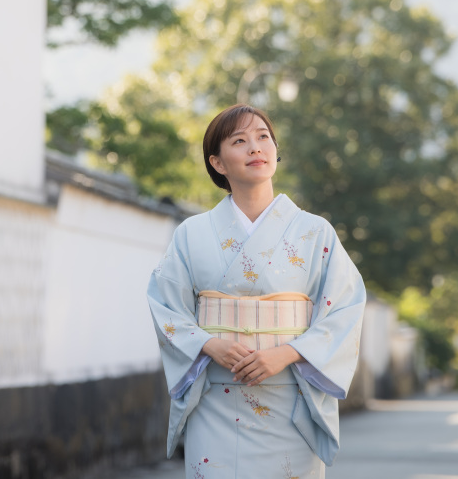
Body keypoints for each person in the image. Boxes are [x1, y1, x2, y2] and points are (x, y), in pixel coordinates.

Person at [147, 104, 366, 478]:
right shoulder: (191, 233)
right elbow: (165, 305)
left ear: (275, 152)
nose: (255, 148)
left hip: (290, 397)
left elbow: (345, 308)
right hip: (215, 396)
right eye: (240, 140)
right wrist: (209, 344)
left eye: (263, 137)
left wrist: (286, 353)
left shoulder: (315, 233)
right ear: (218, 163)